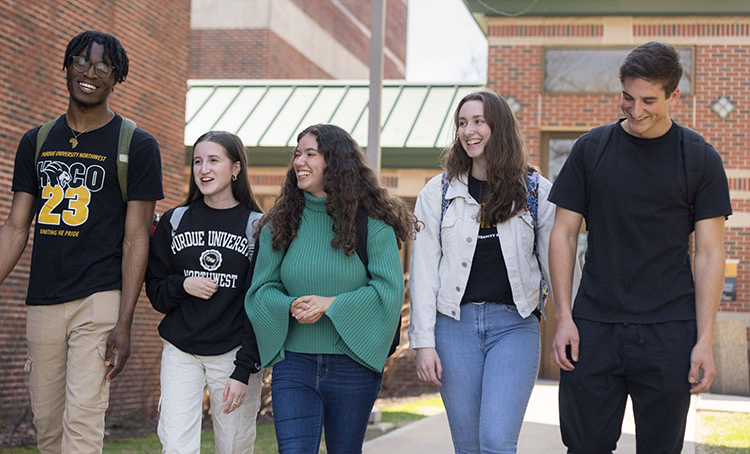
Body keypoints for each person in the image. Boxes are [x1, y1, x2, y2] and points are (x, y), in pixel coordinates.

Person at [549, 41, 732, 453]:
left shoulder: (700, 159)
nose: (636, 111)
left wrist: (704, 339)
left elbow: (709, 253)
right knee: (584, 447)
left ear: (674, 96)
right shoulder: (590, 150)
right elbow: (562, 232)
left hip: (669, 330)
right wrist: (564, 316)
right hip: (595, 327)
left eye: (649, 100)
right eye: (628, 98)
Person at [0, 30, 163, 453]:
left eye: (103, 66)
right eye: (82, 62)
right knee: (48, 425)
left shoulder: (137, 145)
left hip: (99, 299)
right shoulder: (36, 141)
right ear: (67, 66)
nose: (90, 73)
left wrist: (125, 321)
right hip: (44, 298)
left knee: (84, 418)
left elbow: (135, 239)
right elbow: (17, 227)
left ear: (116, 78)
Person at [245, 123, 411, 454]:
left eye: (311, 154)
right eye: (297, 154)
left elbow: (388, 292)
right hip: (295, 364)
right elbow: (261, 290)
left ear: (334, 162)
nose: (299, 162)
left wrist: (330, 304)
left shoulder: (372, 223)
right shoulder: (281, 223)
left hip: (354, 365)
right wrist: (289, 305)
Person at [409, 89, 558, 454]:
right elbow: (424, 272)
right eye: (462, 123)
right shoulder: (437, 193)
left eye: (478, 121)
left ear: (499, 127)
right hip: (453, 330)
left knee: (495, 440)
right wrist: (424, 343)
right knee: (469, 446)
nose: (468, 131)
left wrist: (574, 323)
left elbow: (558, 267)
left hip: (514, 327)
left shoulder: (536, 192)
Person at [146, 131, 264, 454]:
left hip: (232, 353)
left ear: (236, 168)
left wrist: (245, 368)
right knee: (175, 444)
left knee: (234, 446)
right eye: (198, 161)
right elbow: (156, 291)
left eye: (214, 160)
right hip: (182, 350)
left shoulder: (257, 227)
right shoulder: (176, 220)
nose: (203, 169)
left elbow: (260, 306)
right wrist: (183, 284)